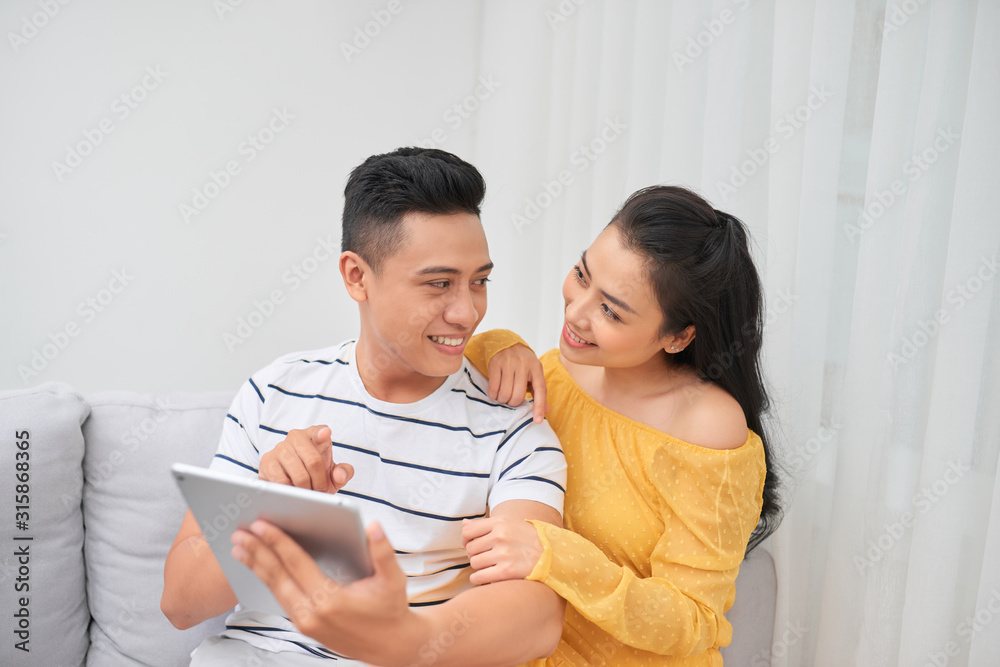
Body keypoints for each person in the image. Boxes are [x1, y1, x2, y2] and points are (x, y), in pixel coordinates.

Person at [160, 147, 568, 666]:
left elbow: (536, 616)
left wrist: (402, 639)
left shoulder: (514, 427)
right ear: (356, 277)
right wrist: (274, 507)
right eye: (439, 283)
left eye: (479, 281)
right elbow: (179, 602)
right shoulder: (276, 391)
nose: (467, 312)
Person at [453, 184, 783, 665]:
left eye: (610, 310)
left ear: (678, 336)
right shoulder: (563, 372)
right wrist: (500, 344)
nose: (576, 312)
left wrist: (556, 555)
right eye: (581, 275)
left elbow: (693, 623)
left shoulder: (708, 427)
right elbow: (440, 389)